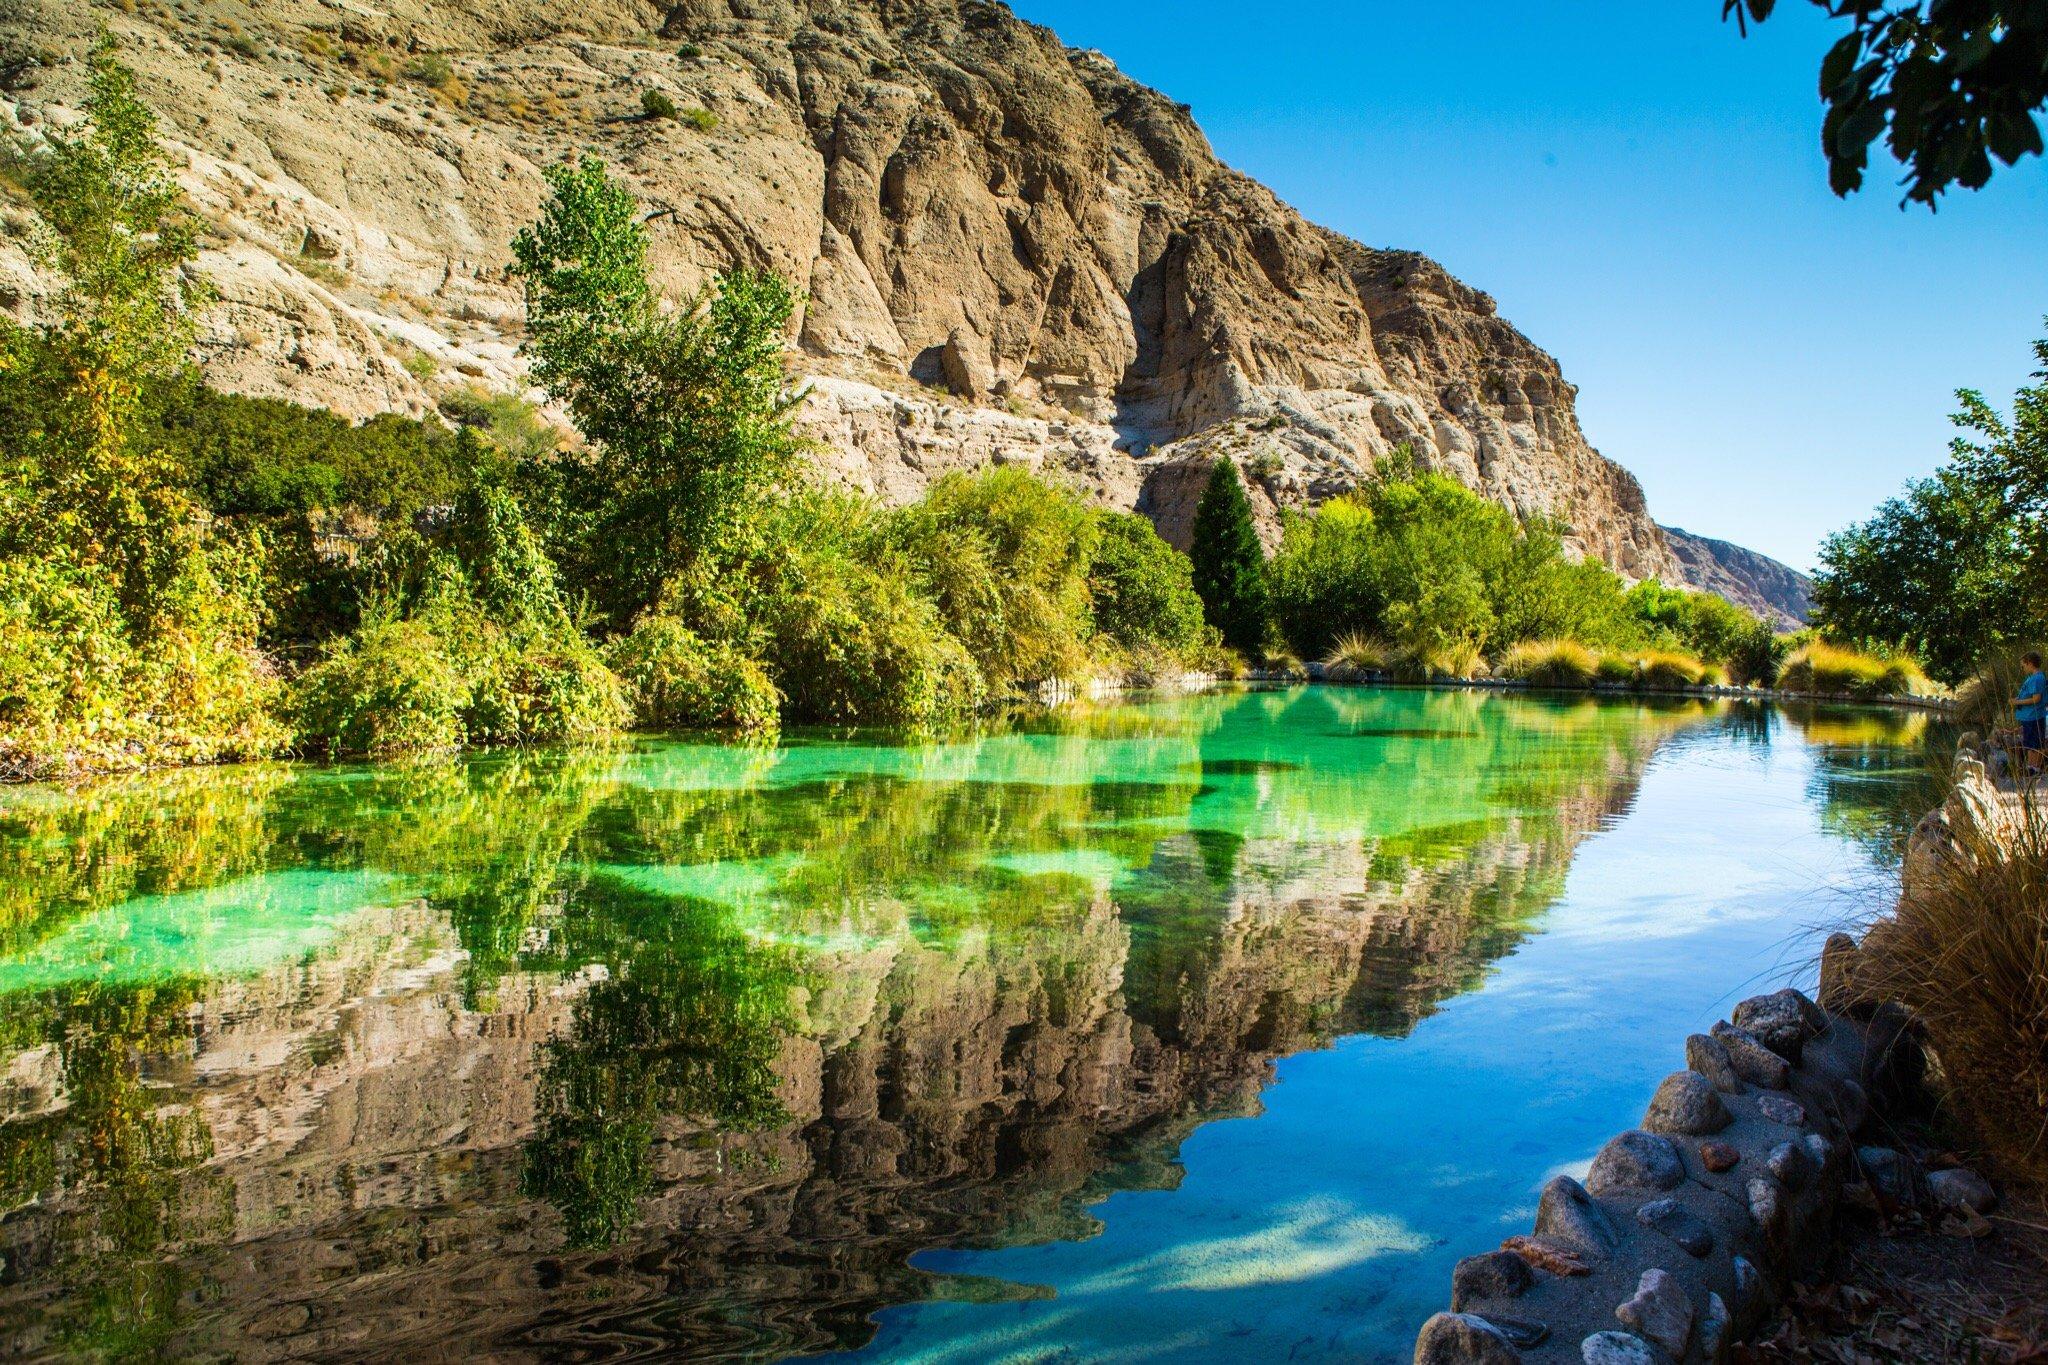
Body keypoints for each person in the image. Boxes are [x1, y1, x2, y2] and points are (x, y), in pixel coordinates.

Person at [2015, 651, 2047, 773]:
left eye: (2023, 665)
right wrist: (2018, 699)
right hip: (2028, 717)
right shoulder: (2032, 678)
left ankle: (2035, 767)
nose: (2022, 668)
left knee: (2036, 742)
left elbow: (2036, 698)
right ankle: (2030, 766)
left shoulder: (2037, 678)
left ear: (2030, 664)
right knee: (2029, 742)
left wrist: (2018, 703)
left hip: (2034, 716)